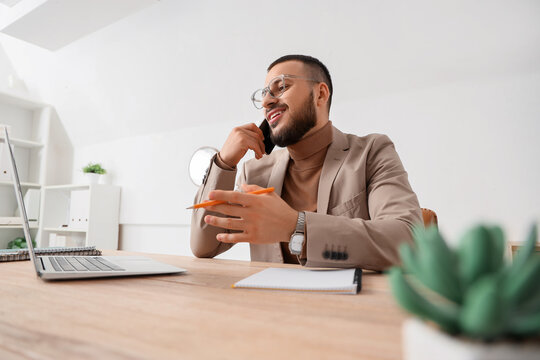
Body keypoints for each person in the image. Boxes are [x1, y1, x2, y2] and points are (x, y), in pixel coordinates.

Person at [190, 55, 422, 271]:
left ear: (320, 94)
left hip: (347, 308)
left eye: (281, 87)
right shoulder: (255, 172)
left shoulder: (371, 152)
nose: (267, 102)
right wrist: (223, 163)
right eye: (264, 95)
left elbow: (408, 240)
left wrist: (297, 226)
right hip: (267, 308)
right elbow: (204, 246)